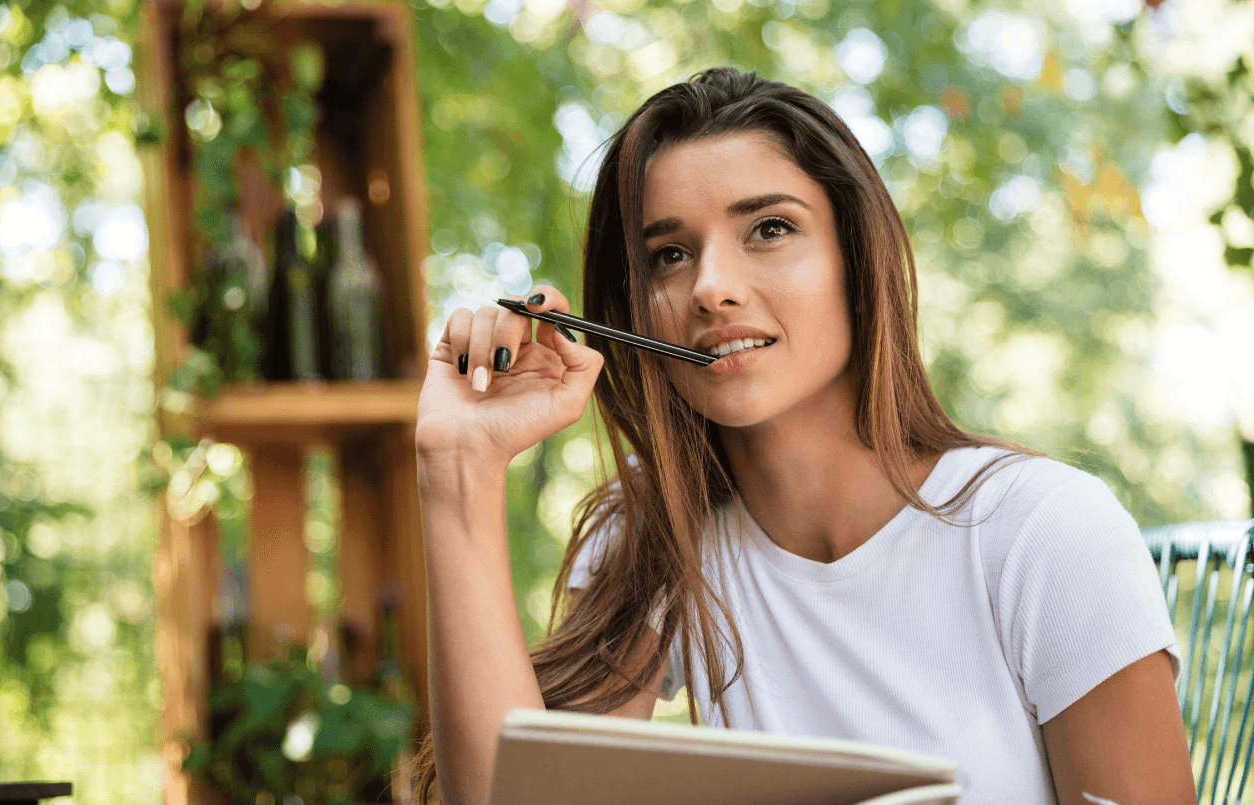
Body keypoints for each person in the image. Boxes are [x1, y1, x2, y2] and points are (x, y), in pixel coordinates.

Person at [411, 68, 1193, 805]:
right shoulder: (656, 537)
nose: (712, 286)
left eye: (769, 228)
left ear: (858, 257)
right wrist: (459, 466)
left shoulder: (1046, 533)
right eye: (670, 255)